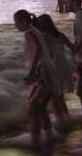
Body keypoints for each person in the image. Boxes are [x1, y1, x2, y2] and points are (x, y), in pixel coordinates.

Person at [14, 9, 56, 146]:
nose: (16, 25)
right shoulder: (35, 31)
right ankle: (48, 137)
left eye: (17, 22)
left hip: (41, 72)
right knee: (40, 107)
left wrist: (32, 70)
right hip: (46, 71)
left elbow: (37, 48)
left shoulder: (29, 33)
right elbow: (45, 51)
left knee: (34, 107)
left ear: (24, 21)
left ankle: (36, 140)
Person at [32, 13, 75, 119]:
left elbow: (49, 54)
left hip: (53, 67)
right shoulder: (60, 35)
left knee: (55, 97)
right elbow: (72, 47)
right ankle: (65, 118)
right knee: (59, 96)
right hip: (64, 66)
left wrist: (40, 68)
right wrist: (75, 62)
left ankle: (61, 120)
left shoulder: (44, 36)